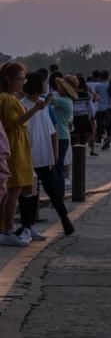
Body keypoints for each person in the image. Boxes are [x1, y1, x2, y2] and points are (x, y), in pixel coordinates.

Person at [21, 74, 73, 237]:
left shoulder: (43, 105)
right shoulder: (24, 105)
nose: (45, 85)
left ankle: (65, 219)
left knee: (52, 191)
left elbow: (52, 131)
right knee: (29, 194)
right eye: (43, 83)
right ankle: (27, 227)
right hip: (29, 156)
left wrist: (55, 151)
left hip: (45, 155)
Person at [1, 62, 43, 246]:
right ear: (8, 80)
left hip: (18, 146)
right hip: (14, 147)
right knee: (13, 190)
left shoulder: (12, 97)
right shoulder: (6, 99)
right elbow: (13, 122)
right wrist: (35, 109)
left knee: (14, 190)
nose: (22, 83)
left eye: (23, 79)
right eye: (19, 79)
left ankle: (7, 228)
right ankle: (7, 229)